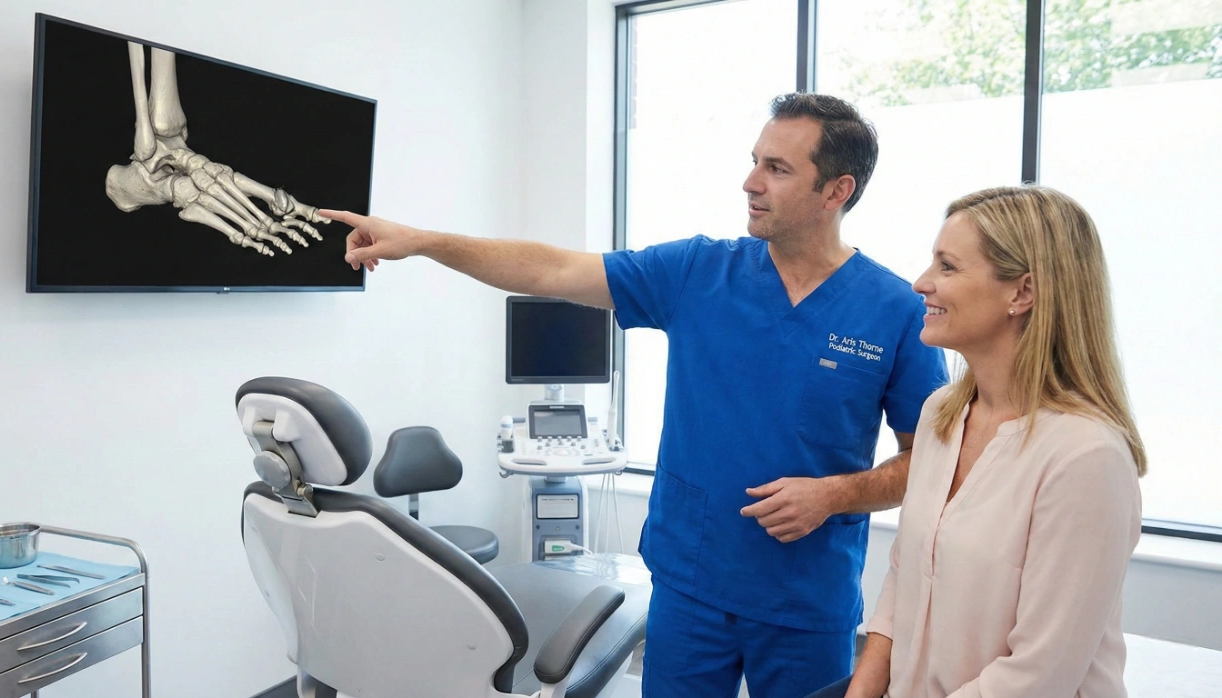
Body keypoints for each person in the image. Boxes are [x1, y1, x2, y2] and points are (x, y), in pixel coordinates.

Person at [322, 92, 949, 698]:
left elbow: (933, 461)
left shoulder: (896, 311)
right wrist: (425, 242)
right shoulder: (698, 272)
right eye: (755, 160)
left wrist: (837, 493)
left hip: (805, 598)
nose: (750, 181)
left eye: (777, 169)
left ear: (836, 191)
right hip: (690, 584)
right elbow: (551, 269)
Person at [805, 186, 1146, 698]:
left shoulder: (1086, 457)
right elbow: (905, 579)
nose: (922, 283)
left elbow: (1039, 675)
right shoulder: (941, 414)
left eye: (947, 267)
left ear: (1022, 293)